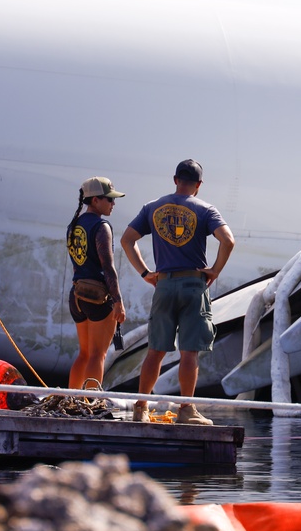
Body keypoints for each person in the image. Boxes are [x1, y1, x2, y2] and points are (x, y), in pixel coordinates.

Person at [121, 159, 235, 425]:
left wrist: (145, 273)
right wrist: (215, 270)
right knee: (189, 352)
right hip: (194, 285)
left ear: (175, 180)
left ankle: (141, 409)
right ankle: (186, 410)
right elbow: (228, 240)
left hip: (164, 284)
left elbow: (127, 240)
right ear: (199, 185)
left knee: (155, 350)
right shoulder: (206, 209)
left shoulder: (152, 207)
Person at [66, 176, 127, 390]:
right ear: (95, 200)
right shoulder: (102, 226)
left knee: (84, 354)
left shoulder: (74, 225)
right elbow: (108, 267)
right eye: (109, 199)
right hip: (98, 299)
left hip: (77, 296)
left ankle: (71, 400)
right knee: (97, 355)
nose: (113, 204)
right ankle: (91, 404)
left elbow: (77, 263)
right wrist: (118, 300)